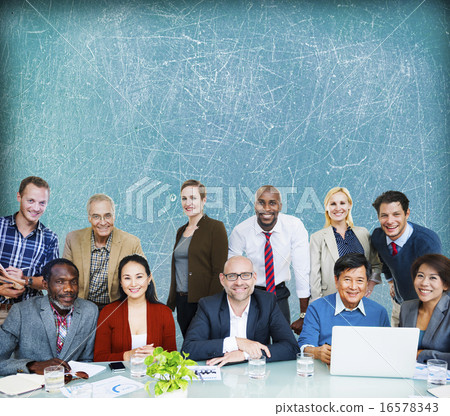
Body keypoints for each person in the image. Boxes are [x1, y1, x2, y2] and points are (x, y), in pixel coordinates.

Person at [182, 256, 299, 366]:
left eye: (245, 275)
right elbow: (188, 349)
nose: (239, 282)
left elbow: (291, 347)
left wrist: (245, 354)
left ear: (254, 278)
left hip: (256, 377)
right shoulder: (208, 305)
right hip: (221, 375)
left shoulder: (267, 302)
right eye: (232, 276)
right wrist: (236, 342)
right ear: (222, 279)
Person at [228, 185, 309, 334]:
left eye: (272, 203)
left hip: (279, 294)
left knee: (284, 343)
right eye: (261, 202)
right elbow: (231, 273)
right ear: (254, 206)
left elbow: (301, 270)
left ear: (280, 206)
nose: (266, 208)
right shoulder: (241, 230)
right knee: (255, 347)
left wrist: (303, 315)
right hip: (252, 295)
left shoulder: (294, 226)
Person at [0, 258, 98, 376]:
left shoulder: (90, 311)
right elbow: (1, 362)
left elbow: (87, 361)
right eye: (60, 282)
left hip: (72, 387)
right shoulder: (20, 312)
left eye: (73, 282)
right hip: (31, 387)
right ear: (45, 285)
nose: (69, 289)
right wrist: (33, 366)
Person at [298, 253, 390, 364]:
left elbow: (387, 351)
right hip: (326, 373)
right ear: (336, 281)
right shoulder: (316, 308)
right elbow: (305, 346)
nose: (353, 287)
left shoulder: (379, 312)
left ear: (367, 283)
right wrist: (316, 352)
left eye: (360, 280)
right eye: (347, 279)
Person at [371, 191, 442, 326]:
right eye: (384, 215)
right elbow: (383, 259)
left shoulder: (427, 242)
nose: (390, 221)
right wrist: (391, 281)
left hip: (424, 306)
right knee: (395, 344)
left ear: (407, 213)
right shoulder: (378, 237)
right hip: (399, 304)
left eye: (396, 214)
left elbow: (434, 281)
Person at [167, 180, 228, 337]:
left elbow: (219, 271)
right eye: (184, 198)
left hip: (203, 303)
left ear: (204, 200)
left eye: (193, 198)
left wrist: (209, 305)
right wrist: (171, 303)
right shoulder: (181, 231)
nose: (188, 203)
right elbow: (177, 269)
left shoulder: (215, 228)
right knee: (189, 349)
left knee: (200, 348)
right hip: (182, 303)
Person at [63, 193, 145, 310]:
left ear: (114, 217)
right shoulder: (73, 239)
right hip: (80, 307)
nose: (102, 222)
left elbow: (145, 280)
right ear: (89, 218)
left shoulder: (132, 243)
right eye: (96, 216)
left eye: (107, 216)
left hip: (116, 308)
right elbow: (64, 278)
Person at [94, 254, 176, 361]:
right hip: (118, 377)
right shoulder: (108, 312)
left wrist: (159, 356)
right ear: (121, 282)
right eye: (127, 278)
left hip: (153, 376)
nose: (133, 283)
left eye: (139, 277)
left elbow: (174, 357)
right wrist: (127, 355)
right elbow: (99, 358)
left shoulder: (164, 312)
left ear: (149, 278)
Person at [0, 176, 59, 324]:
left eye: (42, 203)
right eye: (30, 201)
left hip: (30, 316)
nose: (36, 208)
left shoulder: (50, 238)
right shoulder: (0, 227)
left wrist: (25, 280)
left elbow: (50, 282)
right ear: (19, 197)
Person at [310, 187, 382, 301]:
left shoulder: (363, 233)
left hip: (359, 299)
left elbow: (376, 265)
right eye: (333, 204)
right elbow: (314, 276)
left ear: (349, 205)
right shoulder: (317, 238)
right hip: (330, 298)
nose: (338, 208)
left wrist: (370, 284)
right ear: (326, 207)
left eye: (342, 203)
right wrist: (318, 305)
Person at [399, 254, 450, 365]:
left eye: (433, 278)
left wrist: (422, 355)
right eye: (420, 276)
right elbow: (401, 348)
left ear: (445, 284)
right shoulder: (406, 308)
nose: (424, 283)